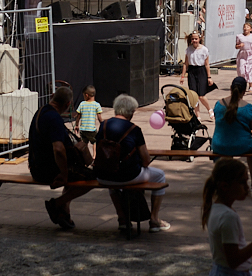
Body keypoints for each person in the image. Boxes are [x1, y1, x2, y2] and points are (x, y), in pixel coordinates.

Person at [95, 94, 171, 232]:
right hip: (128, 175)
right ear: (130, 112)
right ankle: (154, 219)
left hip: (103, 174)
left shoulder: (103, 125)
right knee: (160, 176)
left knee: (112, 180)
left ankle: (122, 218)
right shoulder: (134, 129)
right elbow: (146, 161)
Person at [28, 86, 94, 231]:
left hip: (35, 166)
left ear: (52, 96)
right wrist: (63, 174)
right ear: (68, 105)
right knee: (91, 178)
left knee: (75, 172)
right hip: (46, 170)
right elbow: (58, 149)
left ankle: (64, 212)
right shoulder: (54, 119)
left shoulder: (41, 112)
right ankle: (57, 203)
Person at [214, 77, 252, 191]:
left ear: (230, 88)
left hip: (220, 144)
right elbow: (251, 127)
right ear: (244, 91)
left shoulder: (218, 104)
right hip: (242, 145)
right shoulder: (248, 108)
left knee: (227, 143)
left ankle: (223, 180)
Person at [181, 32, 216, 118]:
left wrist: (209, 77)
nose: (194, 40)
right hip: (192, 72)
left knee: (201, 95)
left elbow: (207, 64)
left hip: (201, 71)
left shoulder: (204, 49)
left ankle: (209, 109)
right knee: (194, 96)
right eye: (193, 39)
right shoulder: (188, 49)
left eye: (196, 39)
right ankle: (198, 116)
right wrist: (182, 76)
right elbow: (186, 64)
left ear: (199, 39)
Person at [75, 85, 104, 150]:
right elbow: (99, 118)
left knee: (84, 143)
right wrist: (103, 125)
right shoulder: (97, 104)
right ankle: (94, 155)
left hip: (83, 129)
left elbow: (78, 116)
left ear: (86, 95)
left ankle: (85, 155)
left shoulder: (82, 104)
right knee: (95, 142)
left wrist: (77, 125)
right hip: (91, 129)